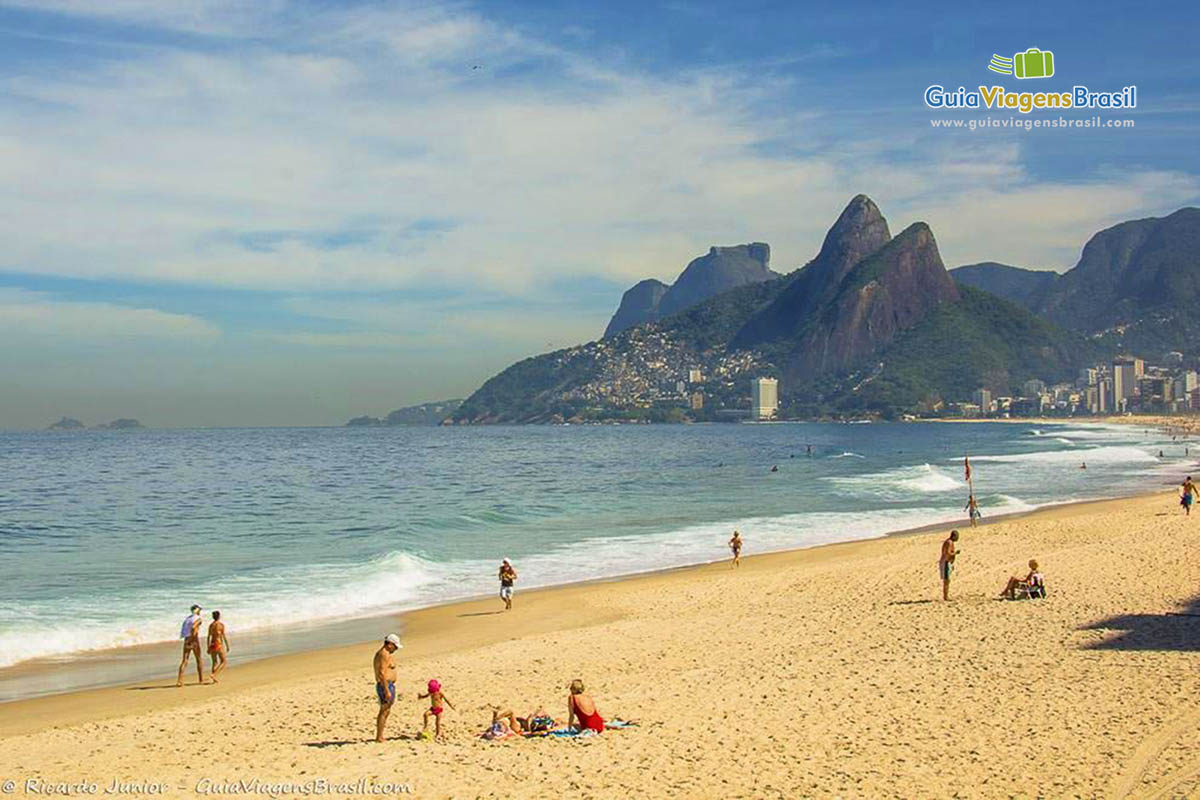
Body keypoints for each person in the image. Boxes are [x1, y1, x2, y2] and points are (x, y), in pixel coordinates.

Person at [373, 633, 401, 743]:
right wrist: (386, 690)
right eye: (395, 646)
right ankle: (379, 737)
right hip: (385, 685)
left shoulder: (386, 654)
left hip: (389, 685)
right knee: (384, 710)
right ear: (389, 644)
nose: (396, 649)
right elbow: (382, 673)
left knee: (386, 710)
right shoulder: (383, 654)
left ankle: (380, 736)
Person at [176, 604, 205, 687]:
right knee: (199, 659)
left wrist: (188, 640)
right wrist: (192, 639)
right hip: (194, 639)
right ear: (197, 611)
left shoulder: (187, 619)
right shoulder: (198, 619)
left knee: (185, 660)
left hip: (186, 639)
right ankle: (201, 679)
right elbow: (193, 628)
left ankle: (179, 680)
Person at [207, 610, 230, 683]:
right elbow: (223, 636)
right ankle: (213, 675)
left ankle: (213, 679)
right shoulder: (221, 625)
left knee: (214, 662)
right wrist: (227, 645)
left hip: (212, 644)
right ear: (219, 616)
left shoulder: (211, 625)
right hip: (218, 644)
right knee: (224, 661)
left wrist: (208, 647)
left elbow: (208, 637)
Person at [938, 531, 960, 601]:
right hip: (945, 562)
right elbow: (947, 553)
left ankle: (946, 596)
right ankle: (945, 597)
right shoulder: (949, 542)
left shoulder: (950, 542)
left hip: (948, 562)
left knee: (948, 580)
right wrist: (955, 553)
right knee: (946, 580)